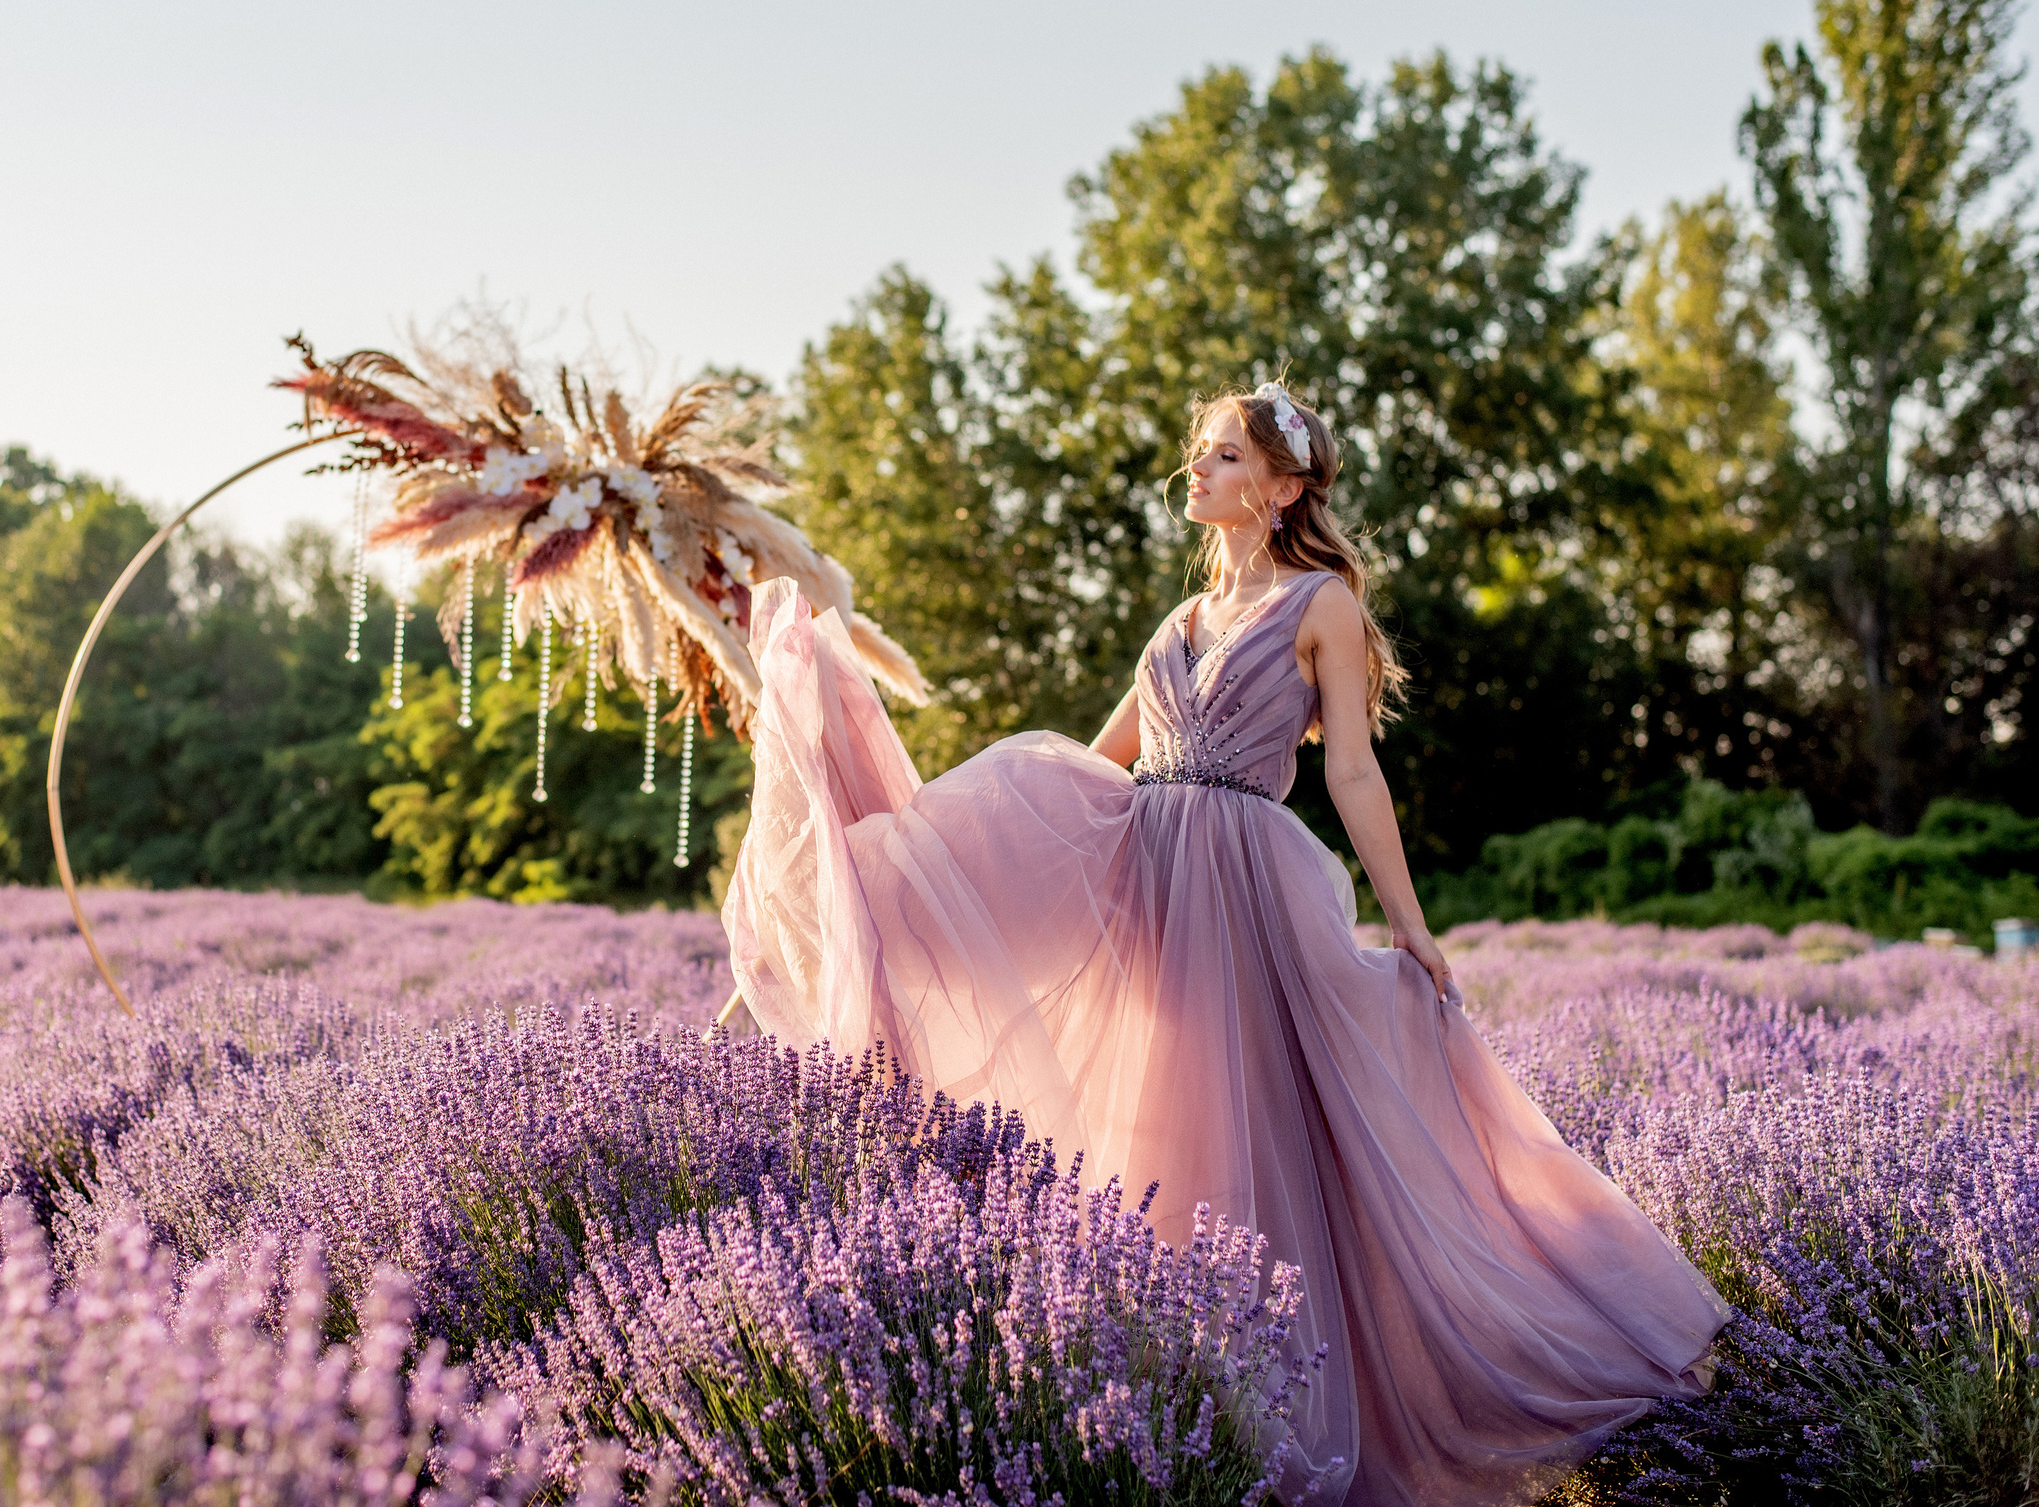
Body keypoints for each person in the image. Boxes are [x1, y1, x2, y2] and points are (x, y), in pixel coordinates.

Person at [720, 382, 1728, 1507]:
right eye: (1200, 454)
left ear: (1284, 486)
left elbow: (1350, 768)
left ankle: (1316, 1396)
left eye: (1224, 456)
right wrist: (930, 841)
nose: (1195, 472)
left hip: (1247, 888)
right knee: (1162, 1128)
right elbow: (1098, 760)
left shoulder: (1322, 604)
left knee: (1277, 1129)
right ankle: (1194, 1397)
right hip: (1151, 881)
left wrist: (1410, 921)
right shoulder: (1178, 622)